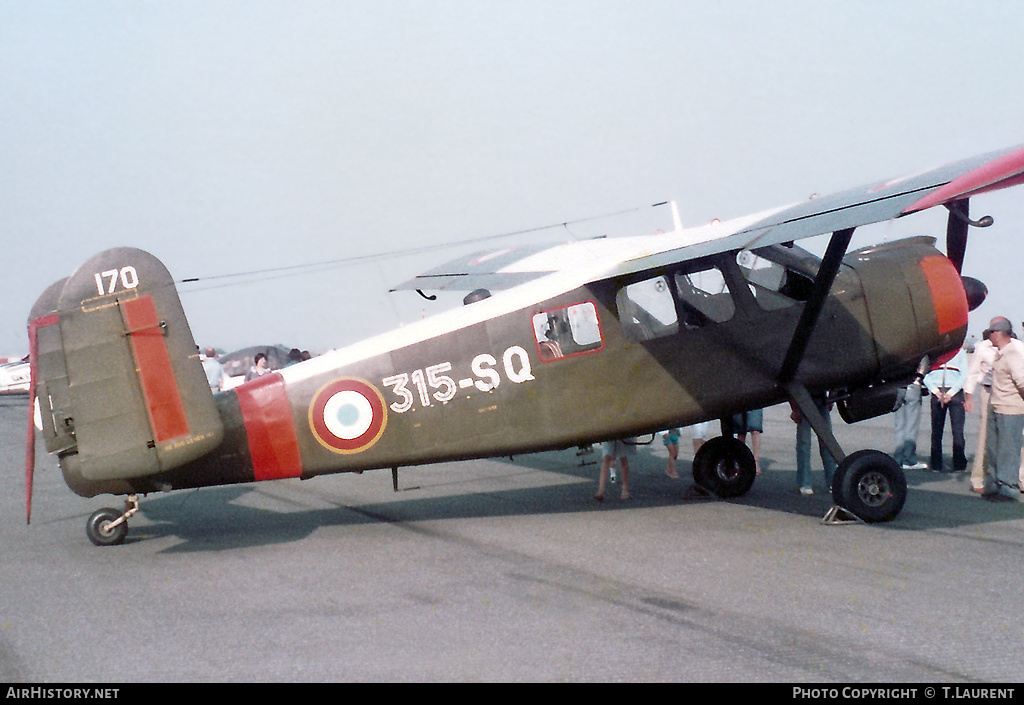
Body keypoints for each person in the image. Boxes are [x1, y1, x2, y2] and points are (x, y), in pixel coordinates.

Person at [982, 318, 1024, 501]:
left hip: (1010, 410)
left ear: (998, 332)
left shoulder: (1013, 355)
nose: (988, 334)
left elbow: (1022, 383)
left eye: (991, 331)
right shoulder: (1000, 354)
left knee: (1008, 451)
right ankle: (996, 486)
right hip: (997, 406)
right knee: (994, 449)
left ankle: (1009, 489)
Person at [923, 347, 968, 473]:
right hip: (941, 392)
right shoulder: (934, 353)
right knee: (938, 430)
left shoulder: (959, 352)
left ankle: (955, 463)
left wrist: (950, 393)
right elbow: (925, 374)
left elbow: (964, 374)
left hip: (954, 394)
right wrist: (937, 392)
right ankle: (939, 463)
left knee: (957, 431)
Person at [964, 328, 998, 493]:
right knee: (985, 436)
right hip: (988, 391)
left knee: (1013, 437)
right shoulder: (983, 347)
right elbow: (972, 373)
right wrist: (968, 397)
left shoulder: (1015, 346)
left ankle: (1019, 478)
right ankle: (978, 478)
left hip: (1010, 393)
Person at [790, 395, 837, 495]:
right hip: (805, 398)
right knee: (807, 442)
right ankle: (805, 482)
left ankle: (832, 480)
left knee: (824, 442)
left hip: (815, 397)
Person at [893, 357, 929, 471]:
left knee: (900, 426)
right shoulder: (916, 347)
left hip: (897, 386)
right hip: (912, 384)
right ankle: (908, 459)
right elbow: (924, 362)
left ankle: (898, 458)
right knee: (911, 426)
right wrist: (918, 379)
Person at [720, 409, 763, 475]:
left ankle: (756, 461)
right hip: (741, 402)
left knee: (755, 429)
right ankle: (741, 461)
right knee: (741, 431)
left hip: (755, 402)